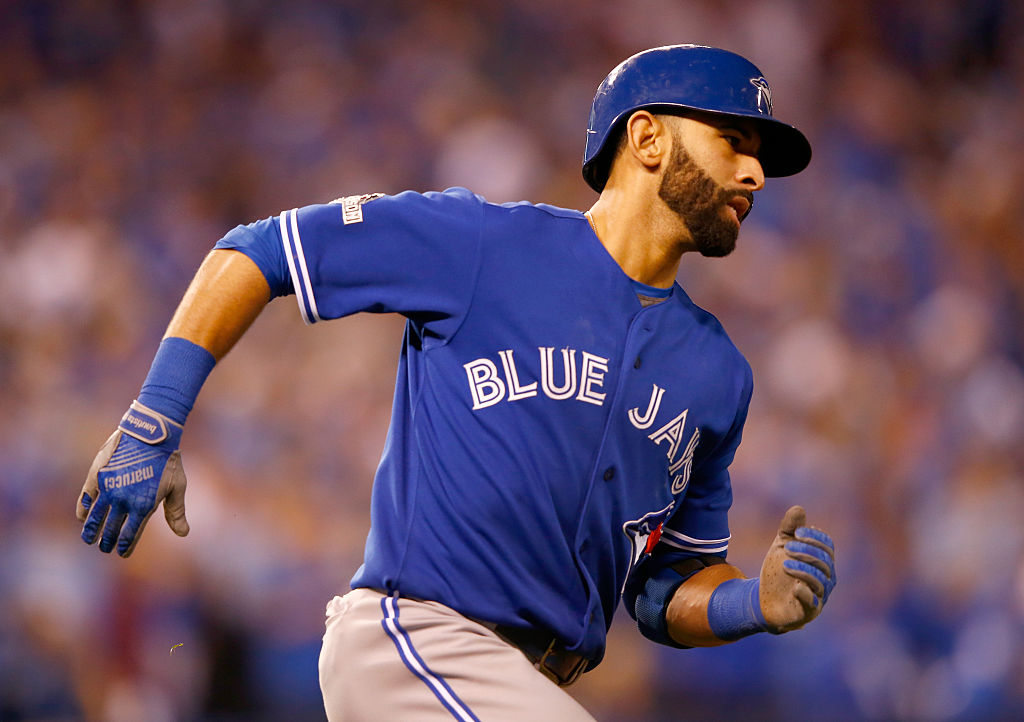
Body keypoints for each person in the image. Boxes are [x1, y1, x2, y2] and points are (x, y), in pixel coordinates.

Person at [77, 44, 836, 720]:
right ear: (645, 138)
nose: (755, 172)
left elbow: (666, 592)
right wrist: (156, 417)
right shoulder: (483, 244)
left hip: (521, 686)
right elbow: (257, 252)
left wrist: (750, 603)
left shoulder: (717, 373)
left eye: (758, 153)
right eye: (732, 141)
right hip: (417, 645)